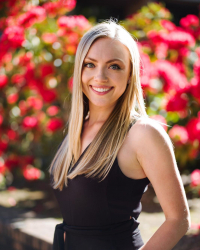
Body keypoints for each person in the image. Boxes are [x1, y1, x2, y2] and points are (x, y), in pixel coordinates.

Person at [48, 19, 191, 250]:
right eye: (90, 64)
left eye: (114, 66)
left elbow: (178, 220)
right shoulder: (77, 129)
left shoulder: (143, 134)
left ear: (130, 74)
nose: (100, 77)